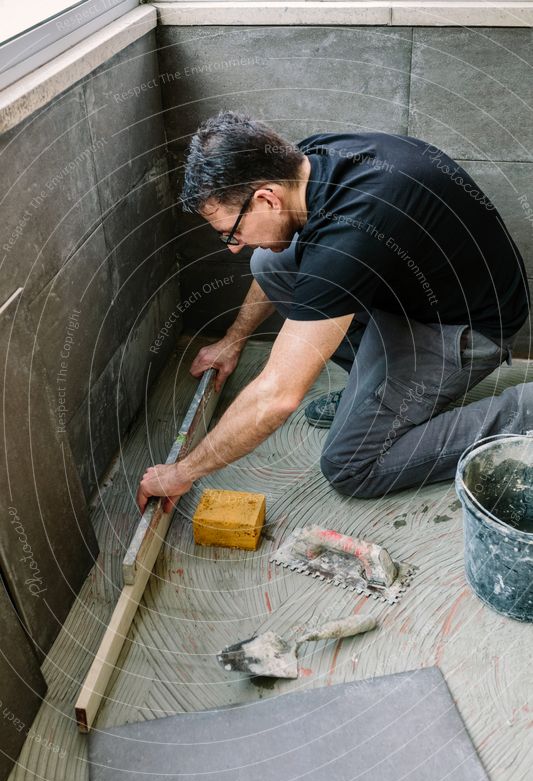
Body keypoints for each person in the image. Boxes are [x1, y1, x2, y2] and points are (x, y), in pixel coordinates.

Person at [136, 111, 531, 514]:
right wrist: (232, 341)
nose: (233, 246)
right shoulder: (306, 159)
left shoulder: (347, 239)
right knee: (270, 263)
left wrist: (182, 471)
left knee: (351, 464)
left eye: (232, 232)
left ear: (267, 198)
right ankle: (373, 388)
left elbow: (277, 397)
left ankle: (522, 412)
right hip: (420, 289)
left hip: (468, 329)